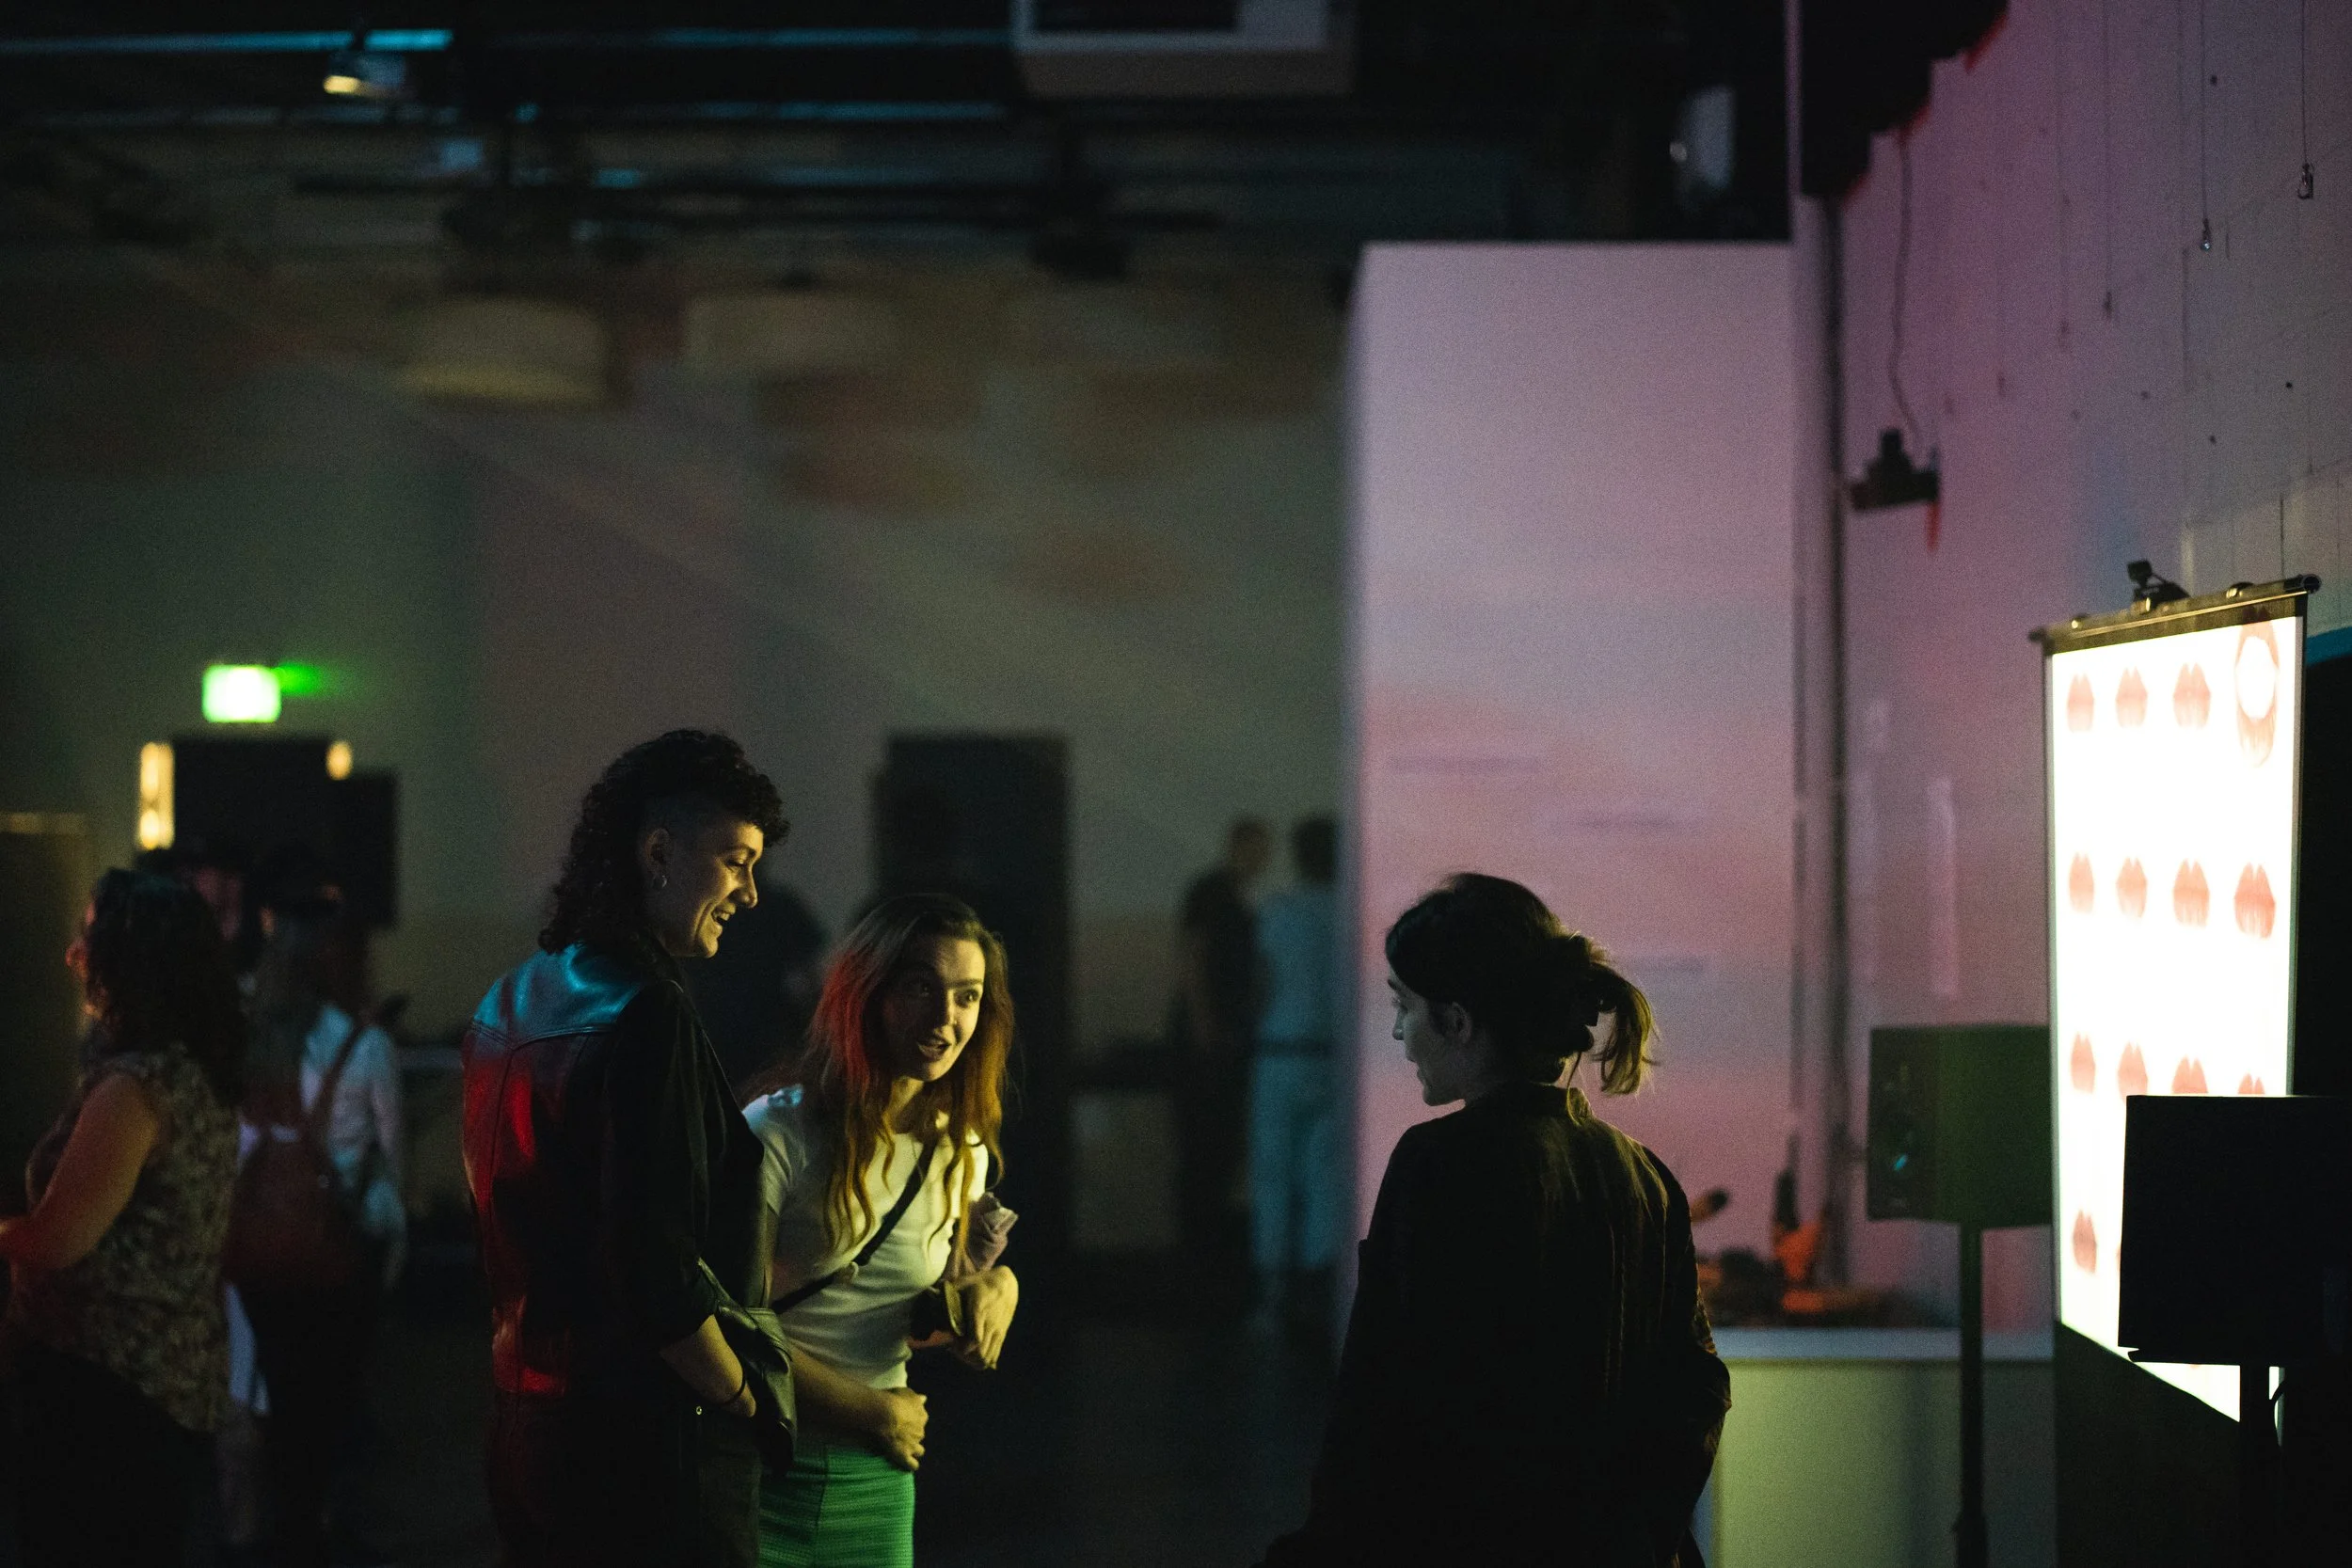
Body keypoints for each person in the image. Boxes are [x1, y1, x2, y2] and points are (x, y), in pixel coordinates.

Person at [1261, 874, 1729, 1568]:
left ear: (1456, 1020)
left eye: (1404, 1006)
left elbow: (1387, 1405)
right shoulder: (1641, 1173)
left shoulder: (1439, 1165)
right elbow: (1696, 1389)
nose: (1398, 1031)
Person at [460, 730, 790, 1568]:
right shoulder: (649, 1013)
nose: (750, 893)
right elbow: (655, 1272)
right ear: (657, 852)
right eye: (735, 860)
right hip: (641, 1451)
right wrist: (750, 1398)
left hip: (525, 1420)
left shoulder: (512, 997)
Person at [741, 894, 1022, 1568]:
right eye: (921, 987)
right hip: (753, 1465)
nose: (945, 1018)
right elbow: (730, 1324)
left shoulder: (964, 1151)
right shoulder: (779, 1131)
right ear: (867, 991)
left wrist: (994, 1287)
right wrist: (871, 1411)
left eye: (967, 996)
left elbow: (916, 1314)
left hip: (875, 1479)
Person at [0, 870, 246, 1567]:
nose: (71, 952)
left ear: (128, 960)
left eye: (89, 934)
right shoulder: (190, 1071)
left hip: (104, 1400)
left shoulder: (134, 1090)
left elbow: (58, 1239)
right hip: (159, 1389)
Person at [237, 897, 405, 1568]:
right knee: (334, 1403)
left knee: (278, 1400)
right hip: (339, 1250)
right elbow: (388, 1162)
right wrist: (394, 1253)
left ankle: (283, 1533)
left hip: (261, 1255)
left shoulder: (255, 1044)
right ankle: (324, 1532)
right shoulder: (365, 1046)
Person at [1169, 816, 1272, 1298]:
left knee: (1216, 1147)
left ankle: (1204, 1263)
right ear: (1238, 847)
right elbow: (1193, 958)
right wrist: (1205, 1025)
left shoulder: (1234, 898)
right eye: (1257, 849)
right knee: (1204, 1146)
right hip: (1205, 1042)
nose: (1263, 860)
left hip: (1221, 1038)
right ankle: (1198, 1264)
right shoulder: (1212, 893)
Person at [1248, 816, 1342, 1338]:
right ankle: (1319, 1292)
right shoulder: (1354, 911)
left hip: (1280, 1051)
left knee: (1273, 1174)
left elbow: (1263, 983)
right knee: (1324, 1176)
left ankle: (1271, 1300)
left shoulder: (1278, 911)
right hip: (1333, 1056)